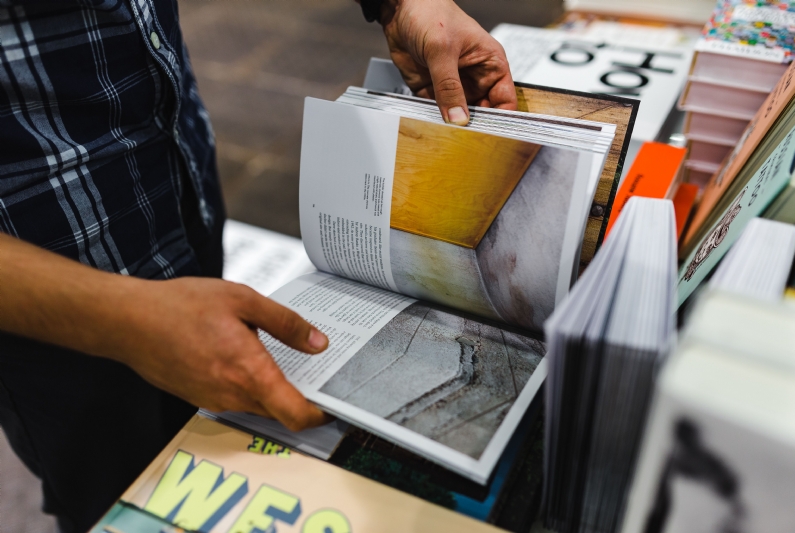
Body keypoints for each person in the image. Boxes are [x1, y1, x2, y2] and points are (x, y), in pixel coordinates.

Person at [0, 0, 516, 530]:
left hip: (175, 198)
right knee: (118, 493)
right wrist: (124, 318)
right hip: (56, 314)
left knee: (215, 442)